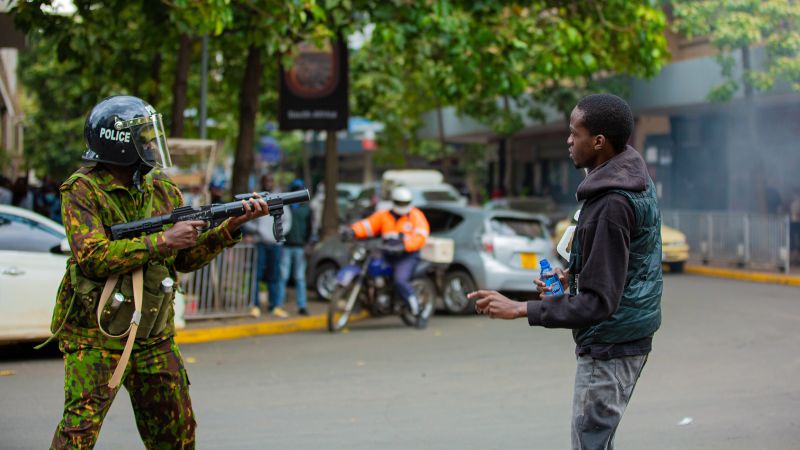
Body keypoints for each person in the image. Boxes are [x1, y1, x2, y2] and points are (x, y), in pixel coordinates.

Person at [47, 95, 270, 449]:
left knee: (177, 434)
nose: (151, 145)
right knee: (78, 435)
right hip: (96, 337)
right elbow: (93, 257)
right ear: (121, 144)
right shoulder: (82, 190)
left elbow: (183, 259)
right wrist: (163, 240)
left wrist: (229, 228)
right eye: (143, 138)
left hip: (153, 334)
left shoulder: (162, 188)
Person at [470, 93, 662, 450]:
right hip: (624, 336)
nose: (568, 141)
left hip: (610, 345)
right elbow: (624, 263)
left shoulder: (611, 202)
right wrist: (572, 276)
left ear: (599, 142)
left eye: (575, 133)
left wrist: (519, 308)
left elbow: (599, 302)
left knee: (589, 443)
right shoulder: (631, 178)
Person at [343, 186, 432, 328]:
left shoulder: (416, 216)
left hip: (407, 256)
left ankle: (417, 312)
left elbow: (420, 236)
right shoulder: (384, 215)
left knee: (400, 280)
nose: (402, 206)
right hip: (387, 252)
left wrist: (405, 245)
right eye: (399, 202)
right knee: (371, 268)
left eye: (404, 203)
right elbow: (368, 225)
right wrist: (352, 231)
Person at [242, 173, 291, 318]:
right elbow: (247, 220)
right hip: (260, 243)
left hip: (276, 244)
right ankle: (255, 305)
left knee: (274, 275)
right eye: (265, 181)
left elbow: (288, 221)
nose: (268, 183)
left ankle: (275, 306)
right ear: (262, 182)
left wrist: (278, 233)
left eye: (270, 180)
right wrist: (258, 230)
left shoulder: (279, 198)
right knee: (256, 275)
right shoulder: (255, 199)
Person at [278, 178, 313, 315]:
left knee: (300, 278)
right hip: (286, 245)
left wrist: (308, 245)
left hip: (300, 247)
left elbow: (310, 229)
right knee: (283, 276)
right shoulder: (286, 207)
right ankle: (279, 304)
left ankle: (302, 305)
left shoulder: (307, 209)